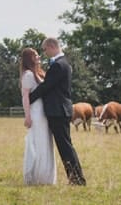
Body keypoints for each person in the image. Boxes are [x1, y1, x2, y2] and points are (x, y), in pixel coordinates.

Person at [28, 37, 87, 185]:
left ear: (52, 46)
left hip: (58, 111)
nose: (44, 52)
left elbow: (46, 86)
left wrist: (29, 98)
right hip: (60, 110)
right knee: (66, 146)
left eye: (45, 49)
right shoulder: (63, 63)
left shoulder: (59, 65)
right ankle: (76, 178)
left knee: (65, 147)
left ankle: (77, 179)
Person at [20, 47, 56, 185]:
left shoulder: (39, 73)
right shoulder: (28, 75)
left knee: (46, 141)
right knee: (38, 142)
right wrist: (27, 116)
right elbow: (25, 97)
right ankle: (37, 176)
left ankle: (46, 176)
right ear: (30, 58)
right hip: (36, 113)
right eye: (35, 55)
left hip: (44, 112)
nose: (39, 57)